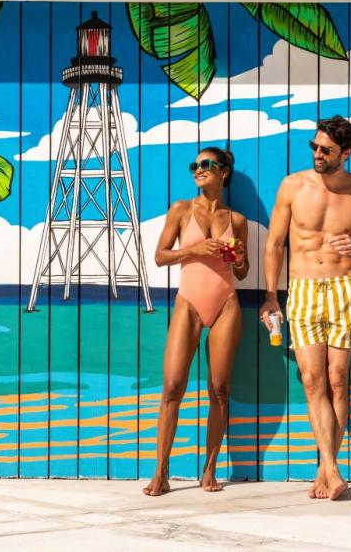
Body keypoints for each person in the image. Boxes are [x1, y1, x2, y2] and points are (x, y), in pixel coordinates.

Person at [260, 116, 351, 501]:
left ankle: (324, 469)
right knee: (312, 381)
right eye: (314, 147)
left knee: (337, 381)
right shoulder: (293, 186)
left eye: (326, 150)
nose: (317, 154)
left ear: (345, 153)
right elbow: (274, 244)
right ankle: (331, 468)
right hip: (303, 291)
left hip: (344, 289)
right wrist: (270, 296)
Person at [145, 146, 249, 496]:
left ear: (224, 173)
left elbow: (242, 270)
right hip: (188, 302)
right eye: (195, 165)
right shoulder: (180, 209)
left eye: (207, 165)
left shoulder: (237, 221)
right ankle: (161, 473)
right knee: (173, 386)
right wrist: (195, 250)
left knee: (219, 390)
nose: (198, 170)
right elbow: (160, 257)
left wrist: (238, 257)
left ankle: (209, 471)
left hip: (226, 303)